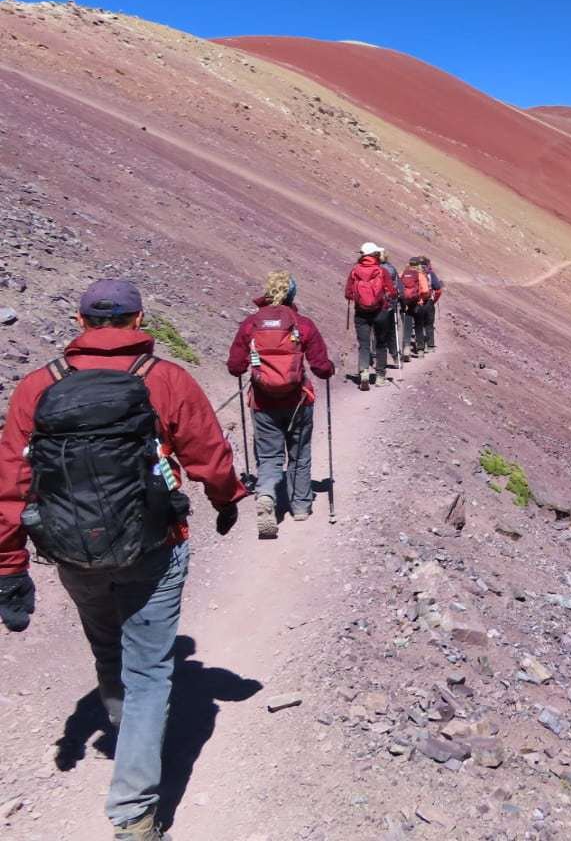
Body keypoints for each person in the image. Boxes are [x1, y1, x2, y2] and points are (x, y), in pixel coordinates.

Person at [0, 279, 247, 841]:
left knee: (106, 643)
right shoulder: (163, 378)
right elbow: (208, 451)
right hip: (153, 547)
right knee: (150, 670)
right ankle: (134, 809)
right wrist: (227, 498)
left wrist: (10, 568)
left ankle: (118, 723)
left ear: (81, 322)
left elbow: (11, 483)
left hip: (70, 552)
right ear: (139, 320)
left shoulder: (39, 386)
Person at [225, 272, 334, 539]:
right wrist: (329, 369)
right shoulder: (301, 324)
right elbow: (321, 367)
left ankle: (265, 494)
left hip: (262, 402)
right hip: (298, 401)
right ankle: (300, 506)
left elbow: (235, 366)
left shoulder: (251, 325)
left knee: (270, 456)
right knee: (299, 453)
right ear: (292, 294)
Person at [344, 242, 396, 390]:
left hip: (361, 313)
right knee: (381, 344)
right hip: (380, 312)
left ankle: (364, 372)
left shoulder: (355, 271)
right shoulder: (381, 271)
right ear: (375, 255)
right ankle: (380, 377)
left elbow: (348, 293)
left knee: (364, 344)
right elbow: (392, 292)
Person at [401, 255, 444, 357]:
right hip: (423, 303)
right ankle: (426, 348)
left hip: (410, 303)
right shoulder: (424, 274)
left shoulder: (404, 274)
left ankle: (413, 348)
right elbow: (431, 290)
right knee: (424, 325)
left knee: (413, 326)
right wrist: (427, 299)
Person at [373, 247, 402, 378]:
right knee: (391, 332)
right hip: (389, 306)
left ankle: (377, 360)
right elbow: (397, 287)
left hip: (373, 306)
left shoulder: (372, 269)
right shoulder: (391, 269)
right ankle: (395, 357)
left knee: (377, 333)